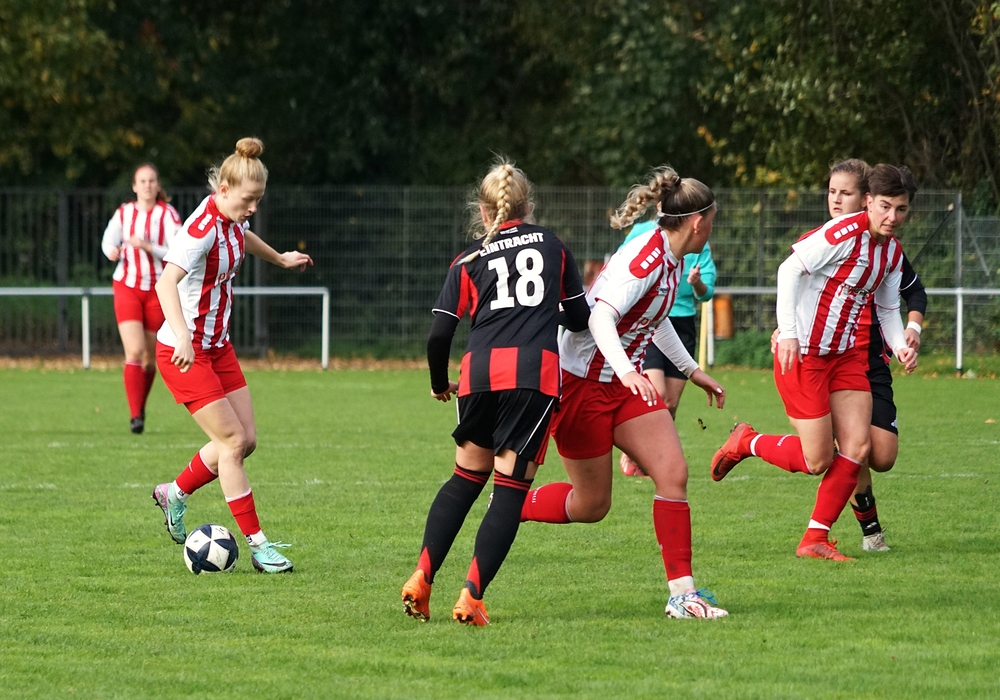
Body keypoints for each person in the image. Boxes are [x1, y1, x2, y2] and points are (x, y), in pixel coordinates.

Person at [519, 165, 729, 619]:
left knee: (672, 473)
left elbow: (655, 317)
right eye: (713, 220)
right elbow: (600, 317)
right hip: (582, 386)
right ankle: (512, 504)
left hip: (620, 383)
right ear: (697, 222)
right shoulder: (647, 257)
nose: (713, 229)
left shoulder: (673, 257)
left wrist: (692, 371)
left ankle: (682, 596)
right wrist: (628, 370)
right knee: (592, 505)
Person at [401, 158, 590, 626]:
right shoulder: (552, 246)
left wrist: (438, 383)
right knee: (509, 491)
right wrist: (543, 314)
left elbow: (439, 335)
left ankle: (422, 576)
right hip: (532, 376)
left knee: (465, 479)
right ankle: (471, 596)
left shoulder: (468, 259)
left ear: (484, 212)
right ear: (529, 206)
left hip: (479, 375)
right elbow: (580, 318)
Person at [711, 164, 919, 561]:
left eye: (901, 209)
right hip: (804, 355)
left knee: (858, 446)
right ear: (869, 202)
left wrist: (899, 346)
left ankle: (814, 539)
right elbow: (789, 269)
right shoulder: (842, 234)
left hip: (846, 358)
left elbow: (888, 307)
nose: (892, 217)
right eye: (885, 206)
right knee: (817, 459)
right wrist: (788, 331)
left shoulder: (892, 252)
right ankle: (747, 441)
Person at [150, 137, 313, 573]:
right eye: (248, 200)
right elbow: (165, 284)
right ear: (223, 190)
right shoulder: (201, 229)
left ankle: (174, 493)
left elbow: (244, 236)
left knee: (246, 440)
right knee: (233, 443)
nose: (253, 208)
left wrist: (280, 259)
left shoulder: (232, 219)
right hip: (184, 352)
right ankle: (259, 547)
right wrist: (182, 336)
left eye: (258, 200)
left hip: (218, 346)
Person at [618, 218, 716, 476]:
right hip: (649, 320)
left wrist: (696, 282)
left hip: (682, 325)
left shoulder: (697, 242)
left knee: (670, 403)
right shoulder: (643, 233)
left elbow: (706, 292)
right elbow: (620, 270)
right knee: (657, 392)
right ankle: (632, 449)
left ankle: (650, 457)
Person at [101, 164, 181, 434]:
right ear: (134, 186)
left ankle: (140, 406)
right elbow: (107, 240)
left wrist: (148, 246)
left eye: (152, 181)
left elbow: (177, 251)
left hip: (158, 289)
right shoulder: (124, 213)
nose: (147, 185)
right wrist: (111, 251)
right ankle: (135, 416)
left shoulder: (167, 214)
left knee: (149, 359)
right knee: (134, 351)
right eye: (142, 181)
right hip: (127, 286)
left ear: (158, 186)